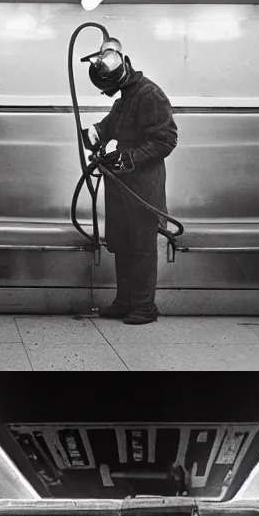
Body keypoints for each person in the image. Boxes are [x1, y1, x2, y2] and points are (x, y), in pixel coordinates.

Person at [79, 37, 178, 323]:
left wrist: (130, 158)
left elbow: (166, 140)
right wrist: (94, 134)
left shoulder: (150, 95)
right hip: (121, 183)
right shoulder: (125, 99)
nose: (108, 94)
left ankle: (145, 305)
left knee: (142, 245)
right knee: (122, 242)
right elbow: (109, 126)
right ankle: (125, 301)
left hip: (143, 185)